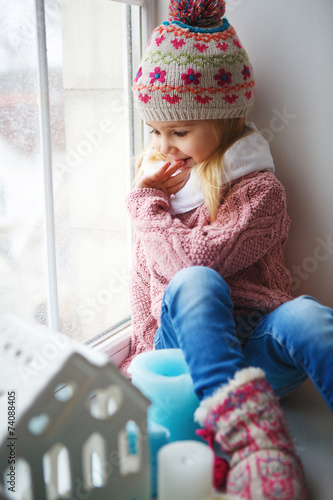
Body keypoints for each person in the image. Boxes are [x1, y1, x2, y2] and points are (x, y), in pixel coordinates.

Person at [121, 0, 332, 497]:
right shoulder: (158, 189)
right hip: (184, 356)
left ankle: (252, 419)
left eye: (180, 131)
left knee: (304, 315)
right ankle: (253, 445)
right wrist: (141, 368)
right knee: (196, 284)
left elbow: (195, 258)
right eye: (156, 131)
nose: (164, 147)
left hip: (253, 355)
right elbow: (153, 283)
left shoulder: (259, 192)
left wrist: (147, 205)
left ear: (223, 121)